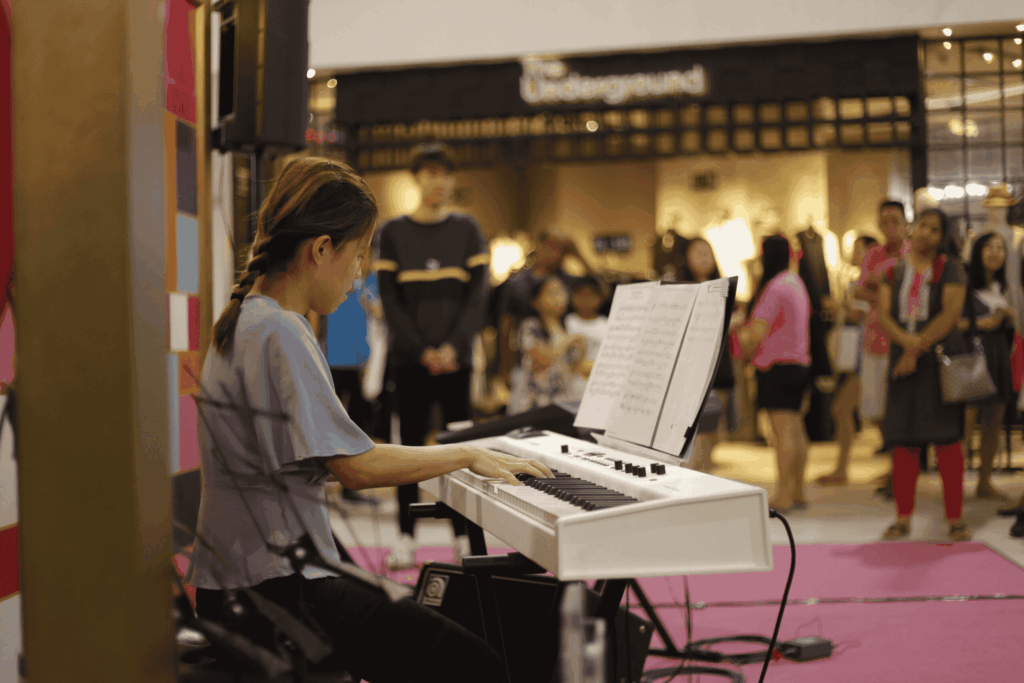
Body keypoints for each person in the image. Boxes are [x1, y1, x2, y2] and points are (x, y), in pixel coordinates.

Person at [185, 156, 550, 683]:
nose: (358, 277)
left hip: (236, 587)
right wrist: (468, 454)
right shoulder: (281, 332)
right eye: (357, 257)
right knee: (481, 666)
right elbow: (355, 465)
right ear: (320, 250)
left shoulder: (243, 319)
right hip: (281, 592)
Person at [376, 142, 491, 569]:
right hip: (410, 362)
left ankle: (464, 536)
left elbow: (477, 299)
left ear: (450, 179)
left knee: (461, 448)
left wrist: (452, 348)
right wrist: (422, 350)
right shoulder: (392, 233)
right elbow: (389, 301)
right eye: (427, 172)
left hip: (456, 362)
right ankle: (406, 536)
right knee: (407, 450)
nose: (436, 181)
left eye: (443, 173)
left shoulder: (468, 230)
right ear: (416, 178)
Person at [876, 208, 971, 542]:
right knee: (904, 442)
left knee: (948, 442)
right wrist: (905, 346)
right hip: (901, 359)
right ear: (912, 228)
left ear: (942, 236)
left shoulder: (951, 269)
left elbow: (951, 314)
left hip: (936, 361)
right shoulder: (893, 270)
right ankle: (902, 518)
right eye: (922, 226)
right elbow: (883, 315)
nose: (926, 234)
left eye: (934, 229)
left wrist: (915, 350)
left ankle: (955, 519)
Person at [737, 235, 812, 511]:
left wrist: (740, 337)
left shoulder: (774, 288)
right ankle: (799, 490)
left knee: (783, 434)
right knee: (796, 429)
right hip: (798, 363)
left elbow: (756, 332)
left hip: (775, 366)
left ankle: (783, 493)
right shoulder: (796, 283)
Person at [855, 201, 910, 497]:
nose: (890, 226)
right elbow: (858, 289)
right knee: (876, 410)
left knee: (898, 408)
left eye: (895, 220)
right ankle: (893, 466)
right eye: (884, 220)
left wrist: (882, 284)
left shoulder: (912, 253)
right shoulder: (874, 254)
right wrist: (880, 285)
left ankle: (900, 473)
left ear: (905, 222)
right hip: (874, 339)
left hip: (901, 341)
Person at [817, 235, 877, 485]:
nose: (854, 254)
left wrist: (841, 307)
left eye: (858, 249)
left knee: (842, 409)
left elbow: (859, 313)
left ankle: (842, 468)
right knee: (845, 409)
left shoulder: (871, 282)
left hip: (867, 354)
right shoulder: (861, 280)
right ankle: (842, 467)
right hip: (860, 355)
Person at [960, 232, 1014, 500]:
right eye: (990, 247)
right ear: (978, 250)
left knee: (994, 420)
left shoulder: (1003, 288)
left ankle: (984, 482)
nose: (995, 253)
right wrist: (984, 324)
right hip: (972, 355)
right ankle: (954, 484)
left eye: (1000, 248)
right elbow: (951, 322)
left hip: (998, 355)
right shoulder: (963, 283)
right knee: (966, 424)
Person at [678, 237, 735, 472]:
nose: (703, 258)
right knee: (693, 426)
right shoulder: (681, 287)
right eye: (698, 252)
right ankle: (696, 473)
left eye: (707, 252)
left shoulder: (722, 287)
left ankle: (705, 472)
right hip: (691, 365)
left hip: (719, 364)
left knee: (713, 425)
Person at [507, 276, 588, 414]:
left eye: (561, 292)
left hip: (561, 398)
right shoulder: (531, 325)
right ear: (536, 301)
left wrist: (582, 352)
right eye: (551, 293)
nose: (558, 298)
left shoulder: (568, 326)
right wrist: (568, 341)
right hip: (534, 399)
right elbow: (541, 360)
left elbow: (573, 369)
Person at [564, 275, 608, 402]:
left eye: (591, 295)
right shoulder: (568, 321)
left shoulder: (605, 324)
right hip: (570, 384)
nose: (586, 300)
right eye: (581, 295)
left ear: (600, 298)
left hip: (597, 384)